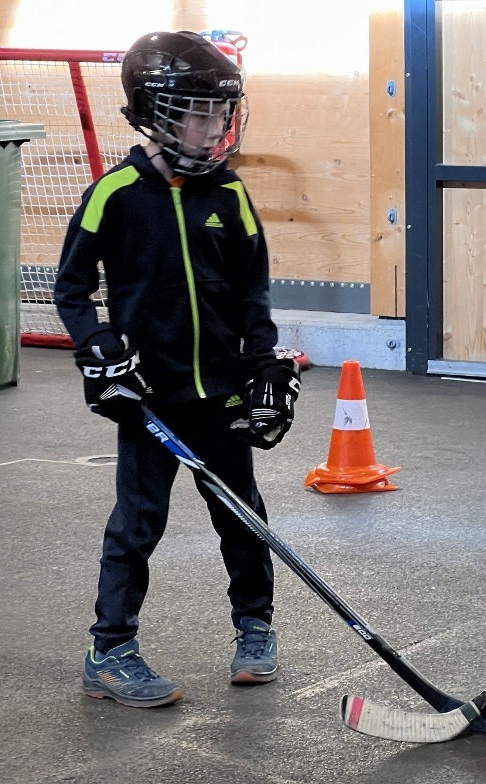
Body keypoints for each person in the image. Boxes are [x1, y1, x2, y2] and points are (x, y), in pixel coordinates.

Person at [53, 31, 300, 708]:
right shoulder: (117, 194)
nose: (213, 127)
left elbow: (252, 295)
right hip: (150, 398)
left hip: (218, 395)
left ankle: (255, 628)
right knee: (137, 524)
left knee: (241, 516)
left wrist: (264, 367)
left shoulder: (231, 196)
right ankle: (110, 650)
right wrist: (96, 346)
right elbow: (71, 287)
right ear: (153, 112)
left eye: (221, 115)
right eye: (197, 112)